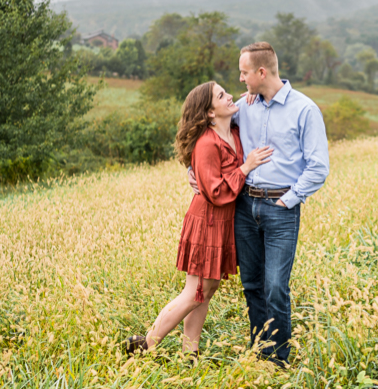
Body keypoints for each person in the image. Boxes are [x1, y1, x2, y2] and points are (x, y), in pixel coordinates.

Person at [190, 42, 330, 365]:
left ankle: (279, 360)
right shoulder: (245, 106)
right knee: (252, 284)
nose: (240, 79)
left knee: (276, 287)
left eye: (244, 73)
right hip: (244, 207)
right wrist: (190, 169)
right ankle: (259, 350)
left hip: (281, 209)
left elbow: (318, 167)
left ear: (261, 72)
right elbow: (207, 134)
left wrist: (289, 199)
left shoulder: (304, 110)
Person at [126, 81, 273, 357]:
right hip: (207, 220)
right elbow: (215, 191)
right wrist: (246, 166)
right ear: (209, 112)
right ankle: (146, 343)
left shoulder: (233, 131)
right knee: (195, 291)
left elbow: (252, 101)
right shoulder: (207, 142)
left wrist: (255, 92)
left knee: (205, 290)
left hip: (222, 223)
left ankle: (188, 354)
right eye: (221, 95)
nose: (229, 96)